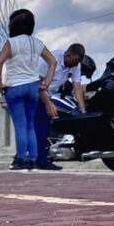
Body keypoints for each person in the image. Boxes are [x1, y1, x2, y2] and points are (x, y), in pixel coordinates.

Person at [0, 9, 56, 171]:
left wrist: (0, 83)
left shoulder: (11, 43)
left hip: (15, 87)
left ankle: (21, 159)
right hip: (33, 87)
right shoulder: (37, 43)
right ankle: (34, 160)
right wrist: (46, 83)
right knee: (30, 125)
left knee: (20, 126)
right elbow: (53, 62)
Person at [34, 43, 87, 171]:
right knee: (41, 127)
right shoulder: (49, 59)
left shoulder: (76, 64)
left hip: (49, 94)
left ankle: (42, 158)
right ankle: (40, 161)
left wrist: (83, 110)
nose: (74, 65)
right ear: (67, 55)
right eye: (73, 62)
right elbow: (36, 84)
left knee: (49, 126)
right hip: (34, 94)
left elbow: (77, 87)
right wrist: (48, 103)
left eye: (77, 63)